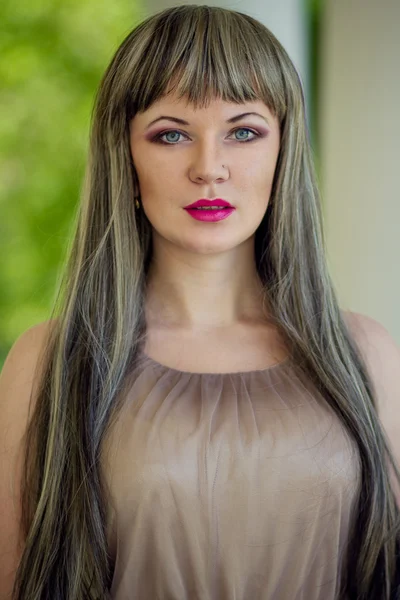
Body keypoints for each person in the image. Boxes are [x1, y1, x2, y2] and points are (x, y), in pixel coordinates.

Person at [1, 4, 400, 600]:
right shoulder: (49, 361)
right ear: (125, 159)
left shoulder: (367, 354)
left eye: (243, 132)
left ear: (282, 153)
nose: (208, 168)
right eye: (171, 134)